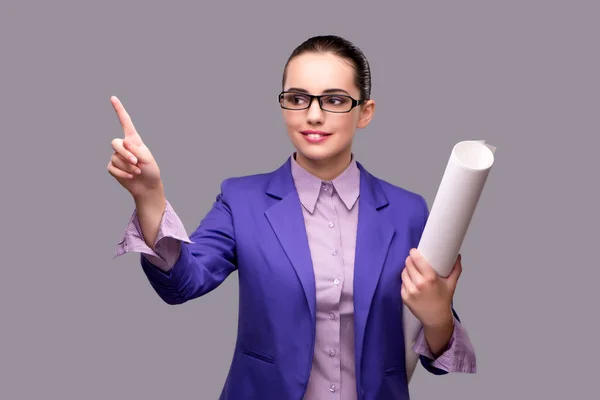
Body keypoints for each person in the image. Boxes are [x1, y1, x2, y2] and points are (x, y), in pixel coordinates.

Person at [108, 35, 476, 400]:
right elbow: (182, 285)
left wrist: (438, 316)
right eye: (298, 99)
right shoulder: (242, 200)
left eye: (334, 100)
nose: (313, 115)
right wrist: (150, 198)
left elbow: (437, 357)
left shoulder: (408, 211)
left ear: (365, 111)